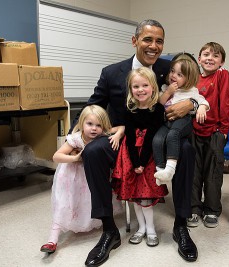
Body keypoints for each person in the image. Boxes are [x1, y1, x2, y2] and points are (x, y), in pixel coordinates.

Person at [71, 19, 198, 266]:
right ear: (135, 41)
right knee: (93, 152)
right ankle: (109, 230)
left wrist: (192, 104)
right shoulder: (111, 72)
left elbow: (191, 88)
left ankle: (181, 225)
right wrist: (72, 135)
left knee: (186, 149)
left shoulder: (169, 68)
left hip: (158, 136)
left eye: (159, 41)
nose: (154, 46)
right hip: (123, 135)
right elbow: (93, 104)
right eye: (147, 39)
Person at [40, 105, 124, 254]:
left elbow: (121, 128)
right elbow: (56, 156)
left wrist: (117, 135)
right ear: (82, 123)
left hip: (86, 179)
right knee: (65, 203)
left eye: (98, 125)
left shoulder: (103, 135)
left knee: (85, 202)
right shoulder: (75, 138)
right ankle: (52, 239)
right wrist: (75, 158)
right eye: (90, 124)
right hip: (71, 177)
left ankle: (87, 223)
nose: (94, 129)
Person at [111, 67, 168, 247]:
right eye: (136, 86)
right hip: (131, 157)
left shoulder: (157, 109)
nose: (140, 89)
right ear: (131, 89)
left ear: (153, 87)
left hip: (149, 157)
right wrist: (135, 162)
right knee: (135, 195)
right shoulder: (130, 110)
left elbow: (151, 136)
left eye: (145, 85)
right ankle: (141, 228)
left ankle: (150, 229)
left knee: (147, 197)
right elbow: (128, 139)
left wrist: (142, 163)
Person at [188, 42, 229, 229]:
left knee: (213, 173)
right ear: (199, 59)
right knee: (193, 173)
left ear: (221, 61)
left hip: (214, 131)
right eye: (206, 54)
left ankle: (212, 210)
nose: (210, 58)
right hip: (193, 131)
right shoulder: (193, 78)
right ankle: (194, 208)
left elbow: (225, 103)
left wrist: (223, 130)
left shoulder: (222, 75)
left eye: (215, 56)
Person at [153, 56, 209, 186]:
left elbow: (203, 101)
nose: (173, 75)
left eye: (179, 74)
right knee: (157, 139)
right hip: (167, 122)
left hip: (183, 120)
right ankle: (161, 171)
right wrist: (168, 92)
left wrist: (201, 108)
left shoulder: (191, 91)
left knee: (173, 135)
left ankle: (170, 169)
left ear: (188, 79)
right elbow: (160, 103)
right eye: (172, 71)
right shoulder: (165, 87)